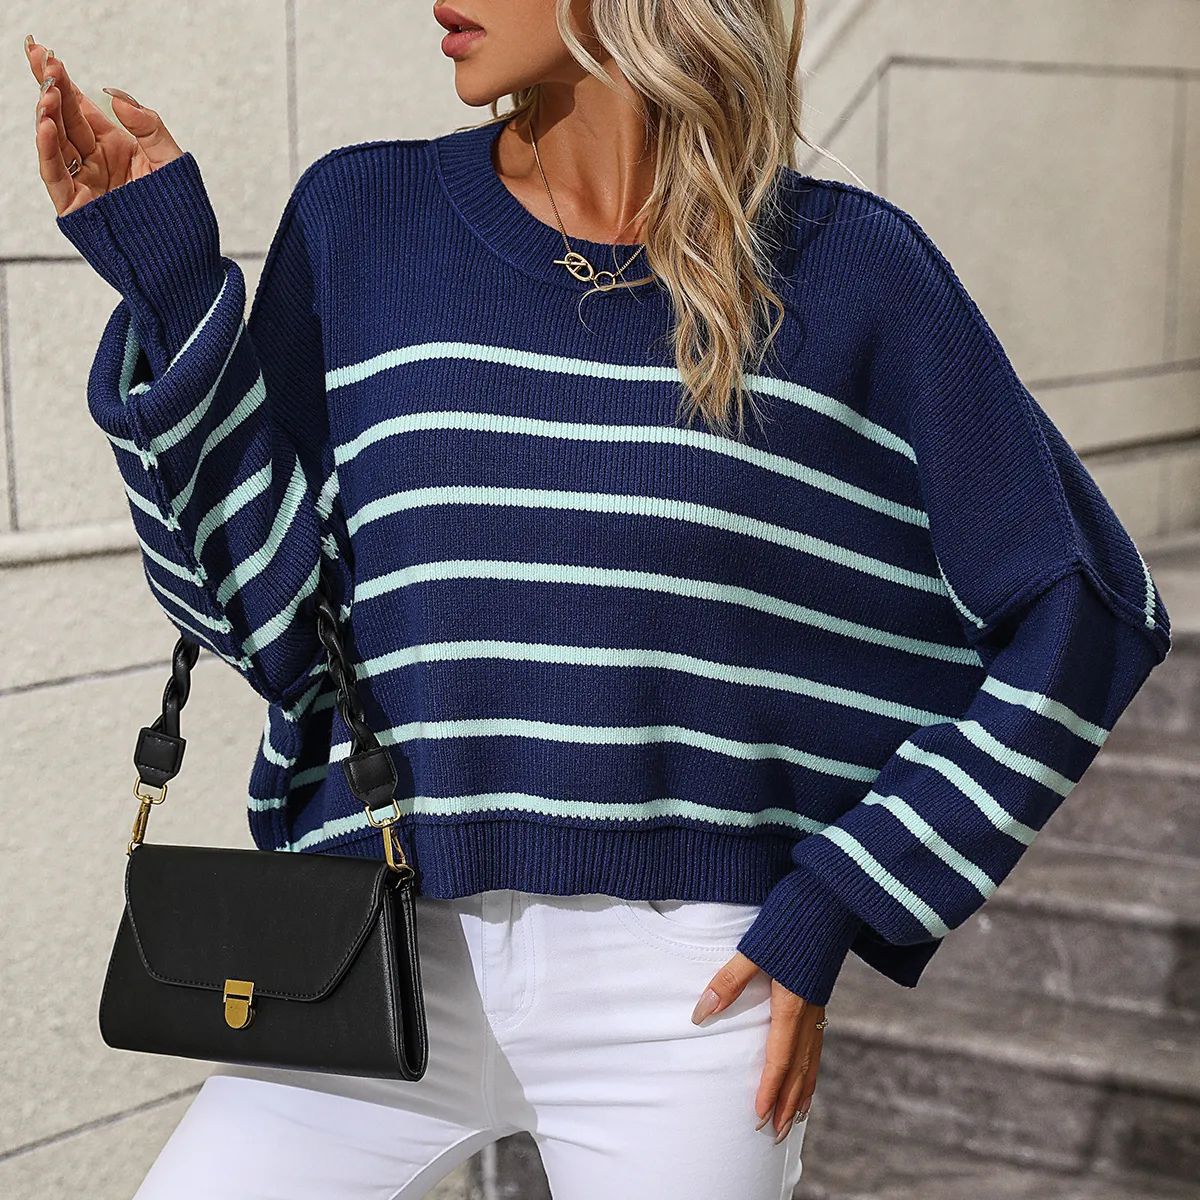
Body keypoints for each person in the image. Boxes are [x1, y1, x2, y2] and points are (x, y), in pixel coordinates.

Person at [28, 1, 1170, 1196]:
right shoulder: (362, 219)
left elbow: (1087, 604)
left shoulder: (850, 269)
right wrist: (173, 292)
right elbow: (265, 625)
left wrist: (843, 894)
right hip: (370, 943)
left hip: (686, 991)